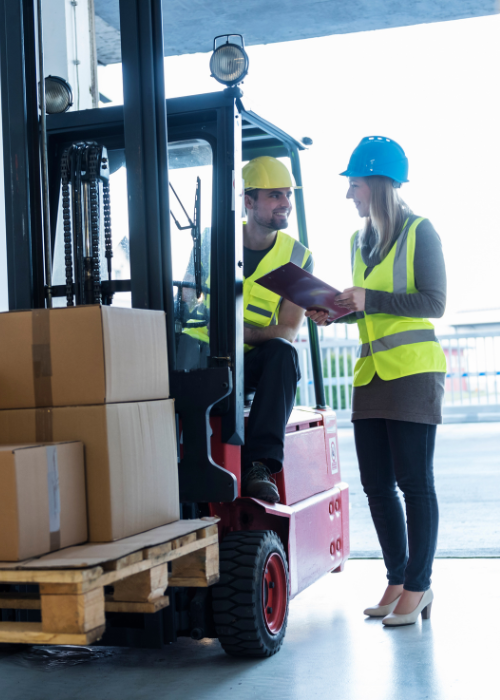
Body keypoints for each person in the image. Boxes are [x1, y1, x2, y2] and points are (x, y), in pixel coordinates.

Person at [307, 136, 446, 626]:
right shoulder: (357, 241)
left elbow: (434, 303)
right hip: (371, 373)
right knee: (376, 485)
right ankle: (397, 577)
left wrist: (369, 300)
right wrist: (336, 312)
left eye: (355, 184)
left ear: (379, 184)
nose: (349, 194)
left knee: (414, 483)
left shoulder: (420, 231)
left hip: (413, 372)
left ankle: (419, 585)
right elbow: (367, 308)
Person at [181, 156, 313, 503]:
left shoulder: (297, 256)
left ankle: (259, 466)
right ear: (248, 201)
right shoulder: (213, 240)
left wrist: (239, 332)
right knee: (175, 350)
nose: (285, 203)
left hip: (248, 364)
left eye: (287, 195)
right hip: (199, 355)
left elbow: (287, 331)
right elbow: (186, 299)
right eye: (275, 195)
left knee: (283, 353)